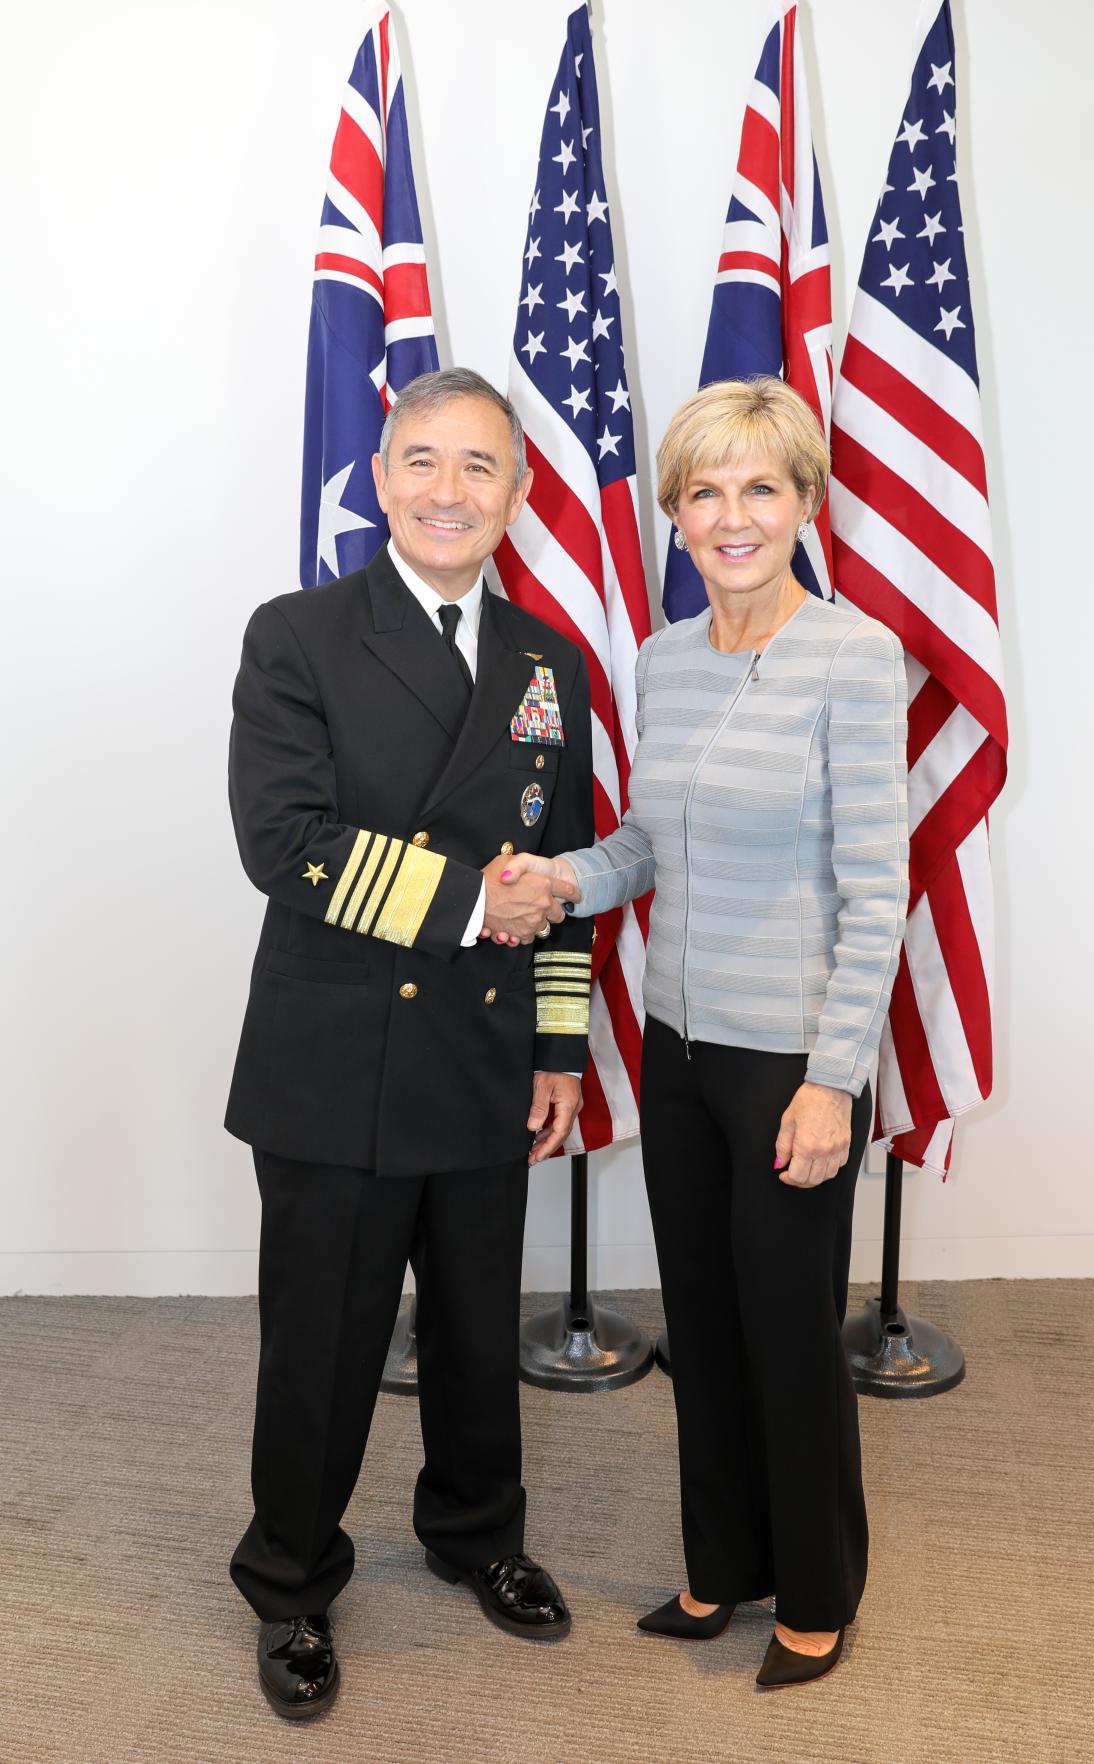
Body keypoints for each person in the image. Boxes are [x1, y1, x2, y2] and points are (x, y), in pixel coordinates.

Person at [503, 378, 909, 1689]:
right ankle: (721, 1565)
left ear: (804, 502)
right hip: (679, 1052)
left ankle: (818, 1588)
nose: (732, 516)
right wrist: (564, 878)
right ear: (677, 511)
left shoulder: (852, 657)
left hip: (790, 1062)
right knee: (706, 1320)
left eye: (762, 487)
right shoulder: (663, 661)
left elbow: (877, 889)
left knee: (790, 1327)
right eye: (706, 491)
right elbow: (646, 848)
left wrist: (833, 1083)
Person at [224, 368, 593, 1720]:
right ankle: (291, 1579)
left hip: (489, 1057)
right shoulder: (301, 635)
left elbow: (560, 874)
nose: (449, 490)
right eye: (422, 462)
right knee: (323, 1341)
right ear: (379, 480)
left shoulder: (551, 664)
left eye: (479, 467)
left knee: (477, 1323)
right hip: (338, 1058)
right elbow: (285, 844)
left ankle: (477, 1533)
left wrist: (561, 1048)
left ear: (516, 494)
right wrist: (464, 900)